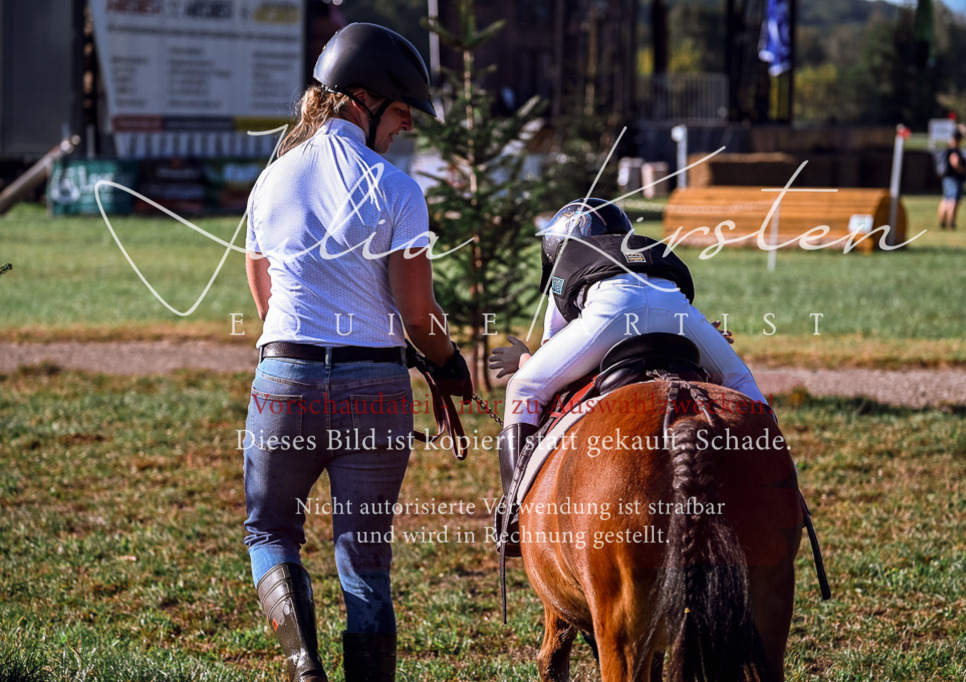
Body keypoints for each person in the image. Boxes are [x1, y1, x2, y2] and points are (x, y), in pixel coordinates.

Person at [242, 23, 472, 682]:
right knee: (365, 561)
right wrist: (450, 367)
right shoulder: (398, 191)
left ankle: (303, 663)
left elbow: (265, 303)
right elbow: (418, 314)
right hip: (374, 388)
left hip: (283, 380)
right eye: (401, 111)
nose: (406, 126)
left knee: (270, 532)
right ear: (361, 99)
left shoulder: (270, 185)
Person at [488, 198, 769, 544]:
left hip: (611, 311)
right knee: (740, 381)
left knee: (524, 388)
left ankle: (515, 513)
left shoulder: (568, 259)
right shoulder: (644, 248)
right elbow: (673, 299)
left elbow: (553, 350)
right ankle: (785, 485)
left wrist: (525, 362)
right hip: (675, 309)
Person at [937, 127, 966, 230]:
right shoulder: (955, 150)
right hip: (954, 178)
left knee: (945, 199)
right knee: (953, 200)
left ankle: (942, 222)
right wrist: (962, 170)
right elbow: (955, 162)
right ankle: (951, 222)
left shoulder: (948, 148)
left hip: (947, 178)